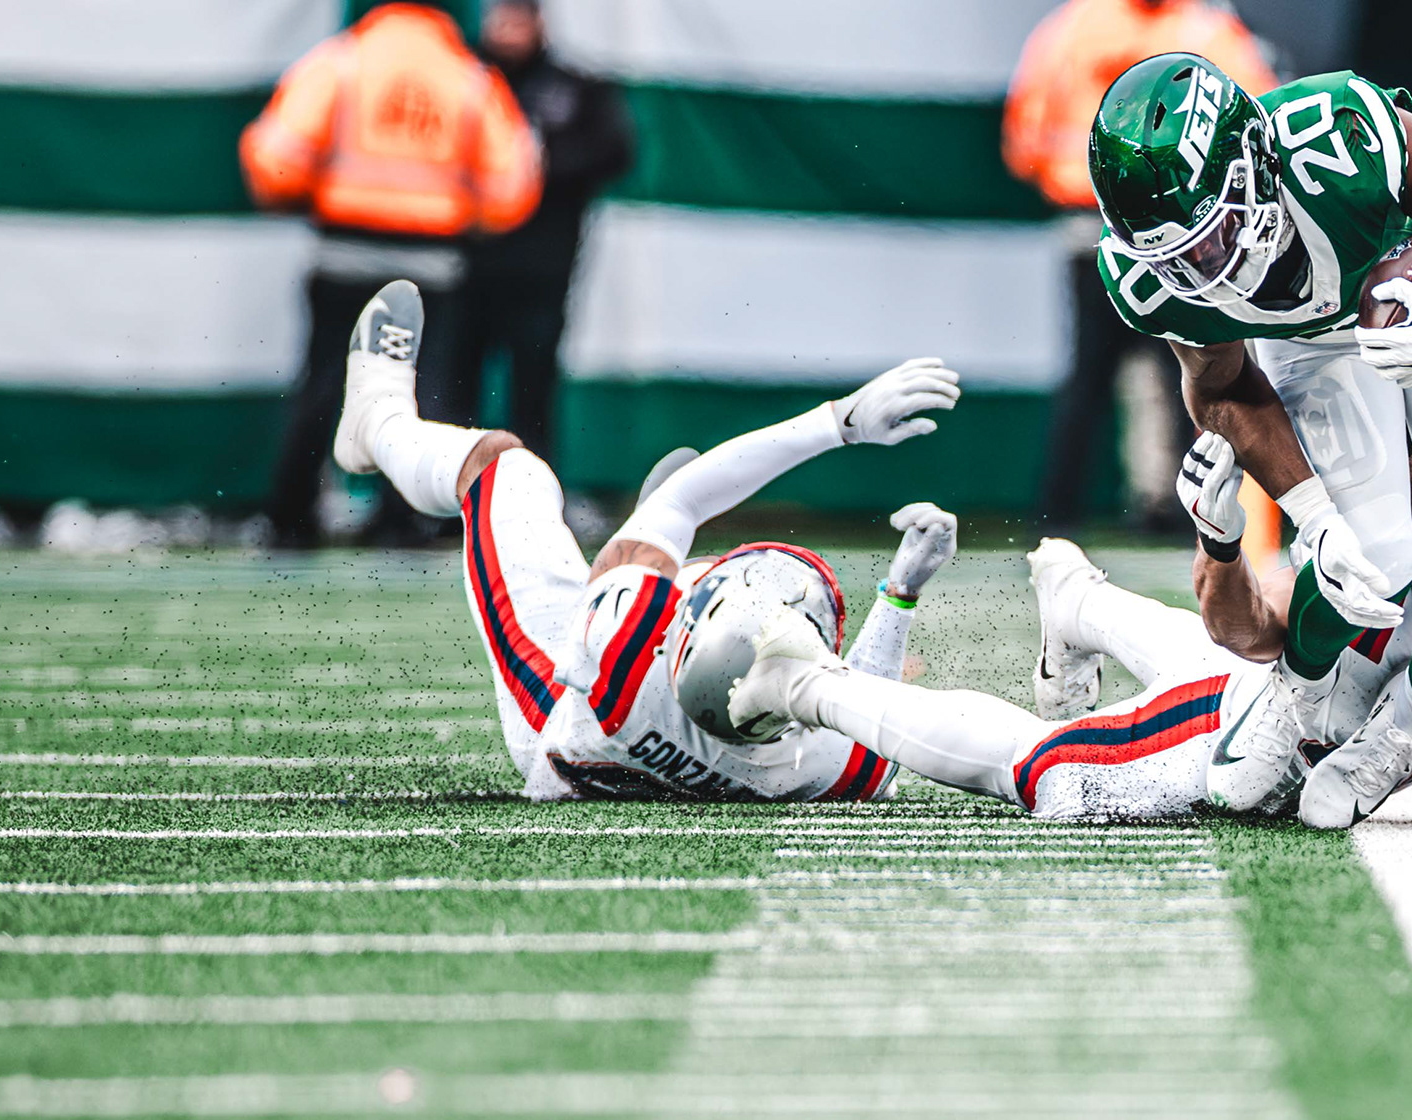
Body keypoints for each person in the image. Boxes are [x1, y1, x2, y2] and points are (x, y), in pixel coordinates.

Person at [1086, 52, 1412, 826]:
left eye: (1211, 240)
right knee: (1369, 557)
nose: (1203, 275)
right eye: (1175, 260)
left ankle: (1406, 730)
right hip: (1313, 340)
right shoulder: (1156, 280)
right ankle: (1293, 696)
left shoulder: (1341, 142)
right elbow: (1220, 387)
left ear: (1256, 168)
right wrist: (1313, 515)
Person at [728, 438, 1412, 829]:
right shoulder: (1378, 568)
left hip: (1309, 744)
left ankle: (1076, 600)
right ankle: (805, 682)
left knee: (1195, 669)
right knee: (1055, 778)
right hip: (1249, 726)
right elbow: (1246, 635)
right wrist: (1220, 542)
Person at [331, 278, 962, 801]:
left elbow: (685, 498)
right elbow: (874, 737)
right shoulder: (822, 766)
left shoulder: (624, 644)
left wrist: (836, 423)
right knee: (680, 563)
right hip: (648, 705)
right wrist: (899, 595)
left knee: (504, 465)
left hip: (564, 702)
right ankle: (670, 556)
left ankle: (376, 419)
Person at [240, 3, 543, 548]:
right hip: (433, 263)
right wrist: (465, 218)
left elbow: (274, 157)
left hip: (344, 252)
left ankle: (292, 518)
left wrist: (305, 196)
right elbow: (512, 184)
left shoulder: (340, 63)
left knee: (325, 383)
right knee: (426, 391)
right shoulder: (469, 78)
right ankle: (407, 521)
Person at [1003, 0, 1276, 528]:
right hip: (1179, 229)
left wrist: (1087, 177)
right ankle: (1181, 509)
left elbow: (1024, 142)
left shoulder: (1070, 28)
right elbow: (1258, 121)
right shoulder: (1206, 30)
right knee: (1188, 362)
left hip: (1104, 222)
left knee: (1100, 372)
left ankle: (1065, 510)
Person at [428, 0, 635, 458]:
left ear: (539, 22)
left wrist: (534, 165)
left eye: (519, 18)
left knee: (533, 393)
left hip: (541, 270)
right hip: (464, 267)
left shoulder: (573, 87)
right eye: (501, 17)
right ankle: (447, 493)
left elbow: (615, 151)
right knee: (452, 390)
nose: (509, 29)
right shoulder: (461, 81)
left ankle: (531, 490)